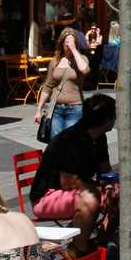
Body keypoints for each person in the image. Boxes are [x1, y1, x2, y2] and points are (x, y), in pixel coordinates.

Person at [29, 93, 117, 245]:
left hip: (76, 190)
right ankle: (78, 251)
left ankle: (101, 242)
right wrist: (98, 189)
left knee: (119, 192)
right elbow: (68, 183)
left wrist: (110, 187)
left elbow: (105, 171)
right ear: (106, 119)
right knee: (91, 199)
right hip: (47, 195)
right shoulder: (70, 141)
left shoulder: (99, 137)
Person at [36, 28, 91, 140]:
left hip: (75, 108)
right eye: (67, 42)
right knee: (56, 142)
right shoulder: (55, 61)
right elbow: (48, 86)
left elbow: (85, 70)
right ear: (61, 44)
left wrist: (74, 50)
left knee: (71, 141)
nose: (70, 45)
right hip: (56, 109)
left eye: (73, 42)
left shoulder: (82, 59)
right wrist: (39, 109)